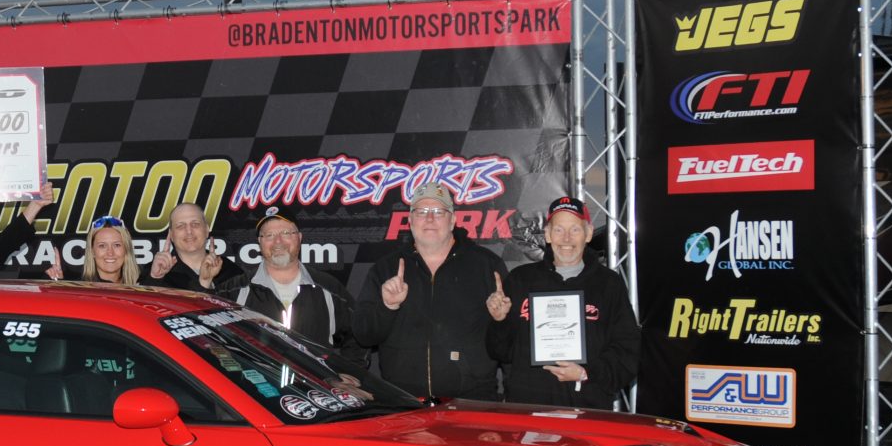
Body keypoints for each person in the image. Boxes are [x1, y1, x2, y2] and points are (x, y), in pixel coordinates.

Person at [352, 181, 505, 399]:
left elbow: (509, 344)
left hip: (471, 401)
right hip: (404, 402)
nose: (430, 218)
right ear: (410, 220)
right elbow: (363, 335)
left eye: (438, 211)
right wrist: (388, 306)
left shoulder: (486, 266)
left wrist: (502, 319)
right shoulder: (386, 268)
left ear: (452, 220)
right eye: (421, 211)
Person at [485, 194, 640, 410]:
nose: (566, 239)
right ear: (547, 235)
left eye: (575, 229)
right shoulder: (520, 280)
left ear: (587, 234)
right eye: (558, 230)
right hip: (528, 408)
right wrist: (500, 321)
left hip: (588, 409)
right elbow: (499, 352)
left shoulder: (608, 284)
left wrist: (586, 373)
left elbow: (627, 351)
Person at [216, 208, 364, 367]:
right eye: (269, 235)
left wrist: (350, 373)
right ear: (259, 242)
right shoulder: (233, 290)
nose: (278, 241)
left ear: (299, 238)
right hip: (256, 387)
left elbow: (359, 333)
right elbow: (206, 335)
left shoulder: (328, 287)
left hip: (317, 387)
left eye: (286, 233)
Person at [147, 202, 227, 292]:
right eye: (180, 226)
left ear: (207, 229)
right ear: (171, 234)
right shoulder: (153, 273)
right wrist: (155, 279)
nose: (189, 231)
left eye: (195, 224)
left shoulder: (231, 273)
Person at [46, 215, 141, 285]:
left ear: (126, 249)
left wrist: (154, 278)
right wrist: (60, 288)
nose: (110, 253)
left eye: (117, 245)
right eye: (102, 246)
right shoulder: (78, 291)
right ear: (92, 251)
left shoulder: (143, 288)